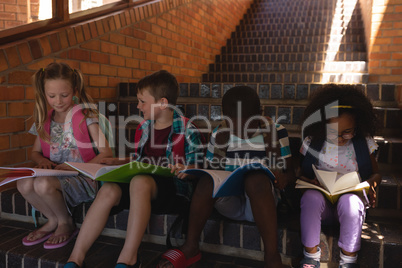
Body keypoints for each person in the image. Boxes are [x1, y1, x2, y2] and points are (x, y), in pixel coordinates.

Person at [64, 70, 204, 268]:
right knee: (109, 188)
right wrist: (119, 162)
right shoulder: (144, 127)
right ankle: (75, 259)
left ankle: (128, 258)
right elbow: (141, 160)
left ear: (163, 103)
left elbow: (198, 167)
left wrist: (186, 168)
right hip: (143, 187)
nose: (138, 106)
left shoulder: (188, 129)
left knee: (139, 181)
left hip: (173, 190)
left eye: (142, 101)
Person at [158, 85, 295, 268]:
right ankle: (191, 246)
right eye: (233, 125)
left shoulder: (275, 131)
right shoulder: (219, 134)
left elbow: (291, 173)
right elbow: (211, 171)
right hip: (229, 203)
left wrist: (284, 178)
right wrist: (191, 170)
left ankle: (272, 255)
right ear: (224, 118)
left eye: (247, 126)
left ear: (260, 114)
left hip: (262, 204)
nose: (240, 132)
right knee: (207, 181)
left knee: (255, 179)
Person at [17, 62, 113, 249]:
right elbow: (35, 152)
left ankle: (65, 222)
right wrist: (42, 160)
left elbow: (106, 152)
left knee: (43, 184)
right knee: (23, 183)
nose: (58, 101)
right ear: (43, 93)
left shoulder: (86, 117)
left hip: (82, 178)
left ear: (75, 91)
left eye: (64, 95)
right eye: (51, 96)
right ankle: (52, 220)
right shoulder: (45, 119)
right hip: (55, 176)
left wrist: (74, 166)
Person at [297, 84, 382, 268]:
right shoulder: (313, 143)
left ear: (357, 126)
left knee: (350, 202)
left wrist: (369, 185)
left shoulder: (362, 144)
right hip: (323, 207)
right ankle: (311, 257)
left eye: (347, 132)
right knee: (310, 198)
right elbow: (300, 174)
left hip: (349, 206)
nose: (341, 138)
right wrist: (308, 181)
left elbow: (376, 173)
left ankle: (348, 260)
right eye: (334, 133)